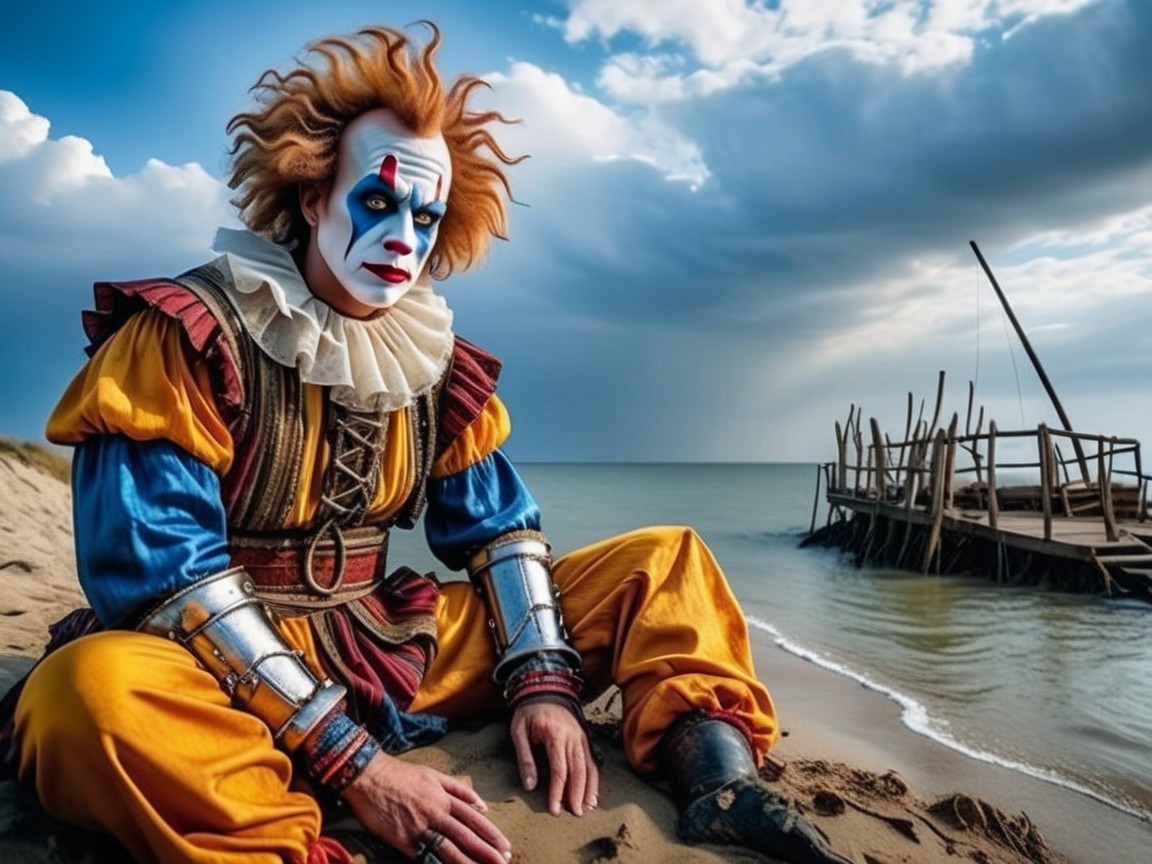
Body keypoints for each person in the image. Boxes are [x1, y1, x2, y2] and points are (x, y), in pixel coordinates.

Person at [10, 23, 850, 864]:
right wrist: (359, 766)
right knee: (87, 697)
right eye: (376, 201)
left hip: (381, 638)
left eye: (425, 212)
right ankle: (272, 830)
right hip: (211, 663)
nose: (404, 237)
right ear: (311, 197)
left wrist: (544, 685)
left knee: (666, 564)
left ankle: (717, 782)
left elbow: (500, 530)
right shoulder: (186, 337)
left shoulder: (433, 362)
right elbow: (165, 581)